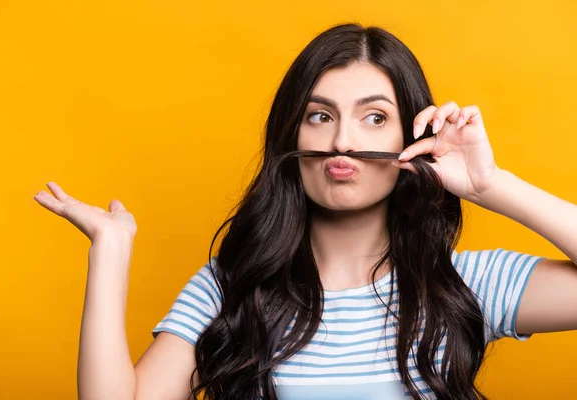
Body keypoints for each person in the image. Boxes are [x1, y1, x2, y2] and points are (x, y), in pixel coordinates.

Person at [33, 23, 577, 400]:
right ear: (291, 133)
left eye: (373, 118)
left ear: (414, 135)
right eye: (320, 115)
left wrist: (490, 184)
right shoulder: (230, 289)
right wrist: (111, 251)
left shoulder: (465, 284)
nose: (342, 141)